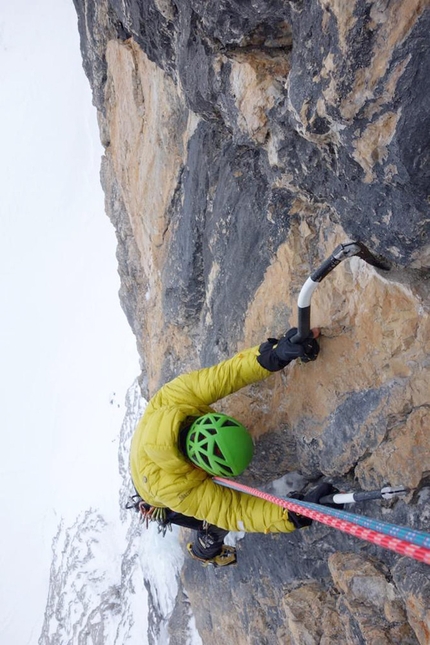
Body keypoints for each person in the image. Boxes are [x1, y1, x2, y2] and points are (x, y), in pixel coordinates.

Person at [129, 327, 334, 567]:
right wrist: (292, 515)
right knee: (215, 523)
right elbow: (233, 512)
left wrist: (275, 355)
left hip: (150, 447)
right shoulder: (174, 489)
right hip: (152, 491)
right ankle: (205, 551)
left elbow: (227, 375)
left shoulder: (174, 398)